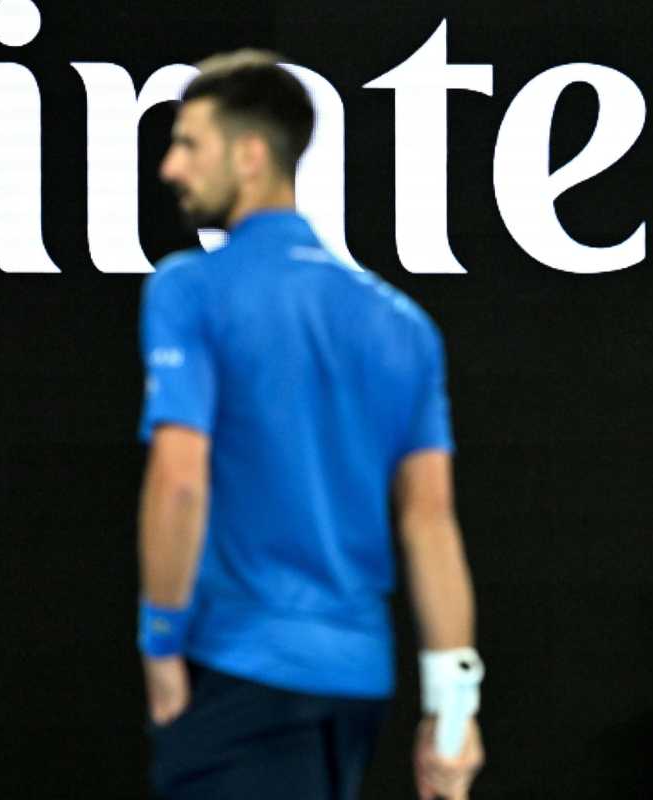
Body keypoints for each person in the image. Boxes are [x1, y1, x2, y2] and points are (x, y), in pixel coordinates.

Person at [135, 50, 484, 800]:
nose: (170, 167)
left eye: (189, 143)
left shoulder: (189, 289)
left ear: (250, 155)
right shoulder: (404, 325)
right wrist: (453, 714)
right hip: (355, 689)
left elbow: (180, 483)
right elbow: (431, 526)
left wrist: (161, 649)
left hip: (238, 675)